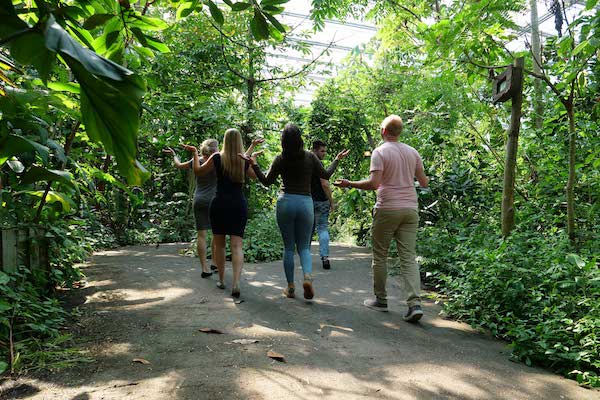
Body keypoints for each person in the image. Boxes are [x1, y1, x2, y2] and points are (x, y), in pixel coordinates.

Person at [334, 115, 429, 322]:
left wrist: (349, 183)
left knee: (380, 255)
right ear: (400, 131)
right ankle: (414, 304)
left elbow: (374, 183)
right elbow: (423, 182)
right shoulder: (413, 152)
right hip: (410, 210)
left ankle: (381, 300)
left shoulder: (379, 152)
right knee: (408, 257)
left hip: (387, 208)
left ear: (383, 131)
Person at [242, 124, 349, 300]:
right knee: (304, 247)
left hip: (285, 202)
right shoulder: (310, 157)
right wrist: (337, 159)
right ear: (300, 139)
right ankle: (307, 277)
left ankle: (290, 287)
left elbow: (267, 181)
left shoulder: (280, 159)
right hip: (305, 203)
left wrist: (254, 164)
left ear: (283, 141)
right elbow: (327, 175)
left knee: (289, 248)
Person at [183, 130, 260, 298]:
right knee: (237, 246)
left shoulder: (217, 157)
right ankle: (236, 283)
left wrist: (195, 153)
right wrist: (253, 161)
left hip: (219, 204)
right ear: (239, 141)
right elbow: (255, 177)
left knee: (220, 244)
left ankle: (222, 280)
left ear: (224, 141)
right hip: (238, 204)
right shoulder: (243, 159)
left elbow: (198, 171)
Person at [163, 139, 218, 279]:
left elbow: (179, 165)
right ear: (215, 149)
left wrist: (174, 154)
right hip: (215, 200)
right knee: (216, 234)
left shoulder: (196, 160)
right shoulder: (218, 161)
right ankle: (215, 263)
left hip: (199, 200)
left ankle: (205, 268)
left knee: (202, 235)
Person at [311, 140, 335, 270]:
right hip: (321, 202)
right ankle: (325, 257)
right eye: (322, 151)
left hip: (308, 201)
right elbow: (325, 184)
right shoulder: (318, 164)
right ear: (314, 150)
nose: (324, 153)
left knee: (308, 229)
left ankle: (304, 256)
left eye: (325, 151)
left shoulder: (306, 162)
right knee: (322, 228)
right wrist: (331, 201)